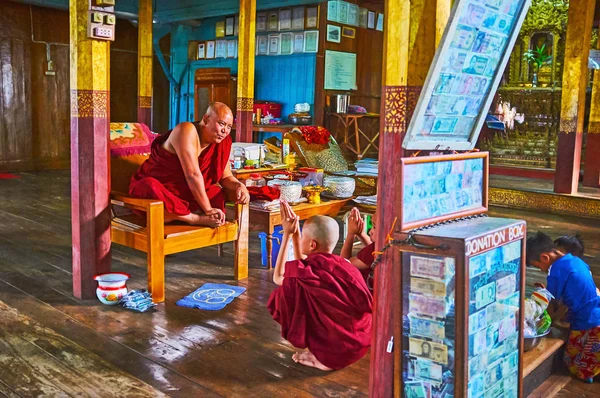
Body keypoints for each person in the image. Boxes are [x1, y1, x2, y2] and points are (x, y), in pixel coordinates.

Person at [267, 201, 373, 371]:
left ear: (312, 245)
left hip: (335, 353)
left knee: (282, 294)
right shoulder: (344, 264)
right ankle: (328, 352)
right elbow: (303, 262)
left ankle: (324, 359)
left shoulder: (310, 271)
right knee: (298, 287)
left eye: (302, 236)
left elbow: (278, 277)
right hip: (360, 342)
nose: (299, 238)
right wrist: (295, 235)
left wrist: (287, 234)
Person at [129, 102, 250, 227]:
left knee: (216, 192)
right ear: (206, 119)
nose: (225, 131)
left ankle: (177, 215)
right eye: (221, 124)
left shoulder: (221, 142)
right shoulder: (186, 130)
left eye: (229, 127)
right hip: (161, 190)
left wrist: (239, 186)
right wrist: (208, 210)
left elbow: (225, 177)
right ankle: (193, 218)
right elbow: (192, 175)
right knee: (149, 186)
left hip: (186, 194)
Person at [526, 231, 600, 383]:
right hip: (595, 313)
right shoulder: (576, 261)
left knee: (573, 363)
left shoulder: (555, 271)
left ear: (544, 257)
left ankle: (587, 375)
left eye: (537, 266)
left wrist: (545, 323)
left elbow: (552, 302)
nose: (541, 270)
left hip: (587, 322)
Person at [340, 208, 377, 286]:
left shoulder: (373, 251)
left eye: (374, 227)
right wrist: (360, 233)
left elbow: (344, 264)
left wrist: (351, 234)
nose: (370, 231)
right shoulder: (389, 244)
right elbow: (374, 250)